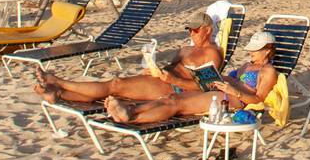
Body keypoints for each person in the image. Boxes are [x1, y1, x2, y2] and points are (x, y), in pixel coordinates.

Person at [34, 10, 224, 105]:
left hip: (173, 87)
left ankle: (59, 82)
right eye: (190, 30)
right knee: (115, 92)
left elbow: (208, 85)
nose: (192, 33)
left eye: (196, 30)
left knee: (116, 85)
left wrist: (171, 78)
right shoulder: (185, 49)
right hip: (158, 79)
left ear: (207, 30)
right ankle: (58, 95)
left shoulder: (211, 53)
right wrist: (153, 68)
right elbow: (171, 67)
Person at [102, 31, 279, 125]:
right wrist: (218, 78)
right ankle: (131, 109)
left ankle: (133, 118)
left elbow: (257, 98)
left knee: (178, 105)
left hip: (233, 100)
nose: (251, 52)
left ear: (268, 50)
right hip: (222, 90)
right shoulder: (247, 65)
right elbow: (236, 80)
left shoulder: (268, 71)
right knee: (172, 97)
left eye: (255, 49)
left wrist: (234, 91)